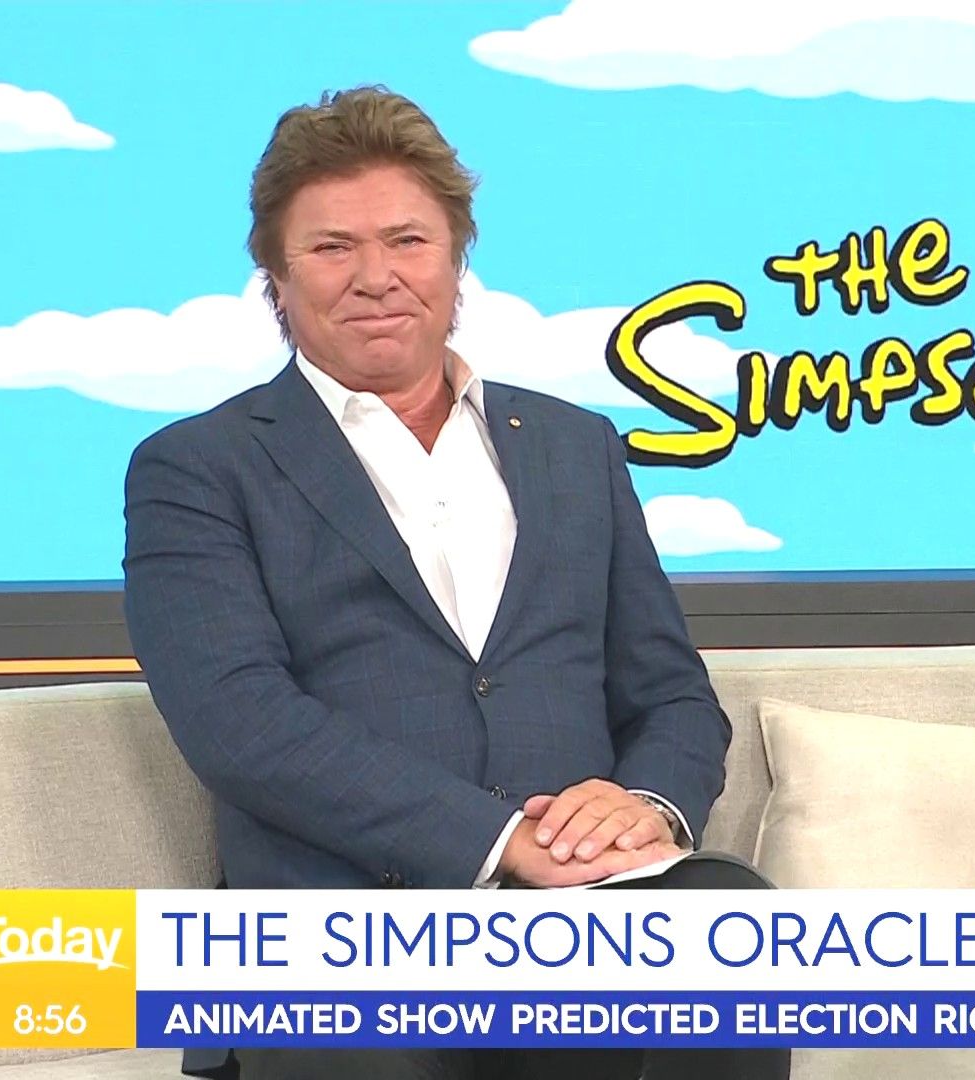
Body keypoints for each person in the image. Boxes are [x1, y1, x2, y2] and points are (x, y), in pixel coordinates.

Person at [122, 85, 790, 1080]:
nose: (375, 277)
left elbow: (671, 696)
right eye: (332, 247)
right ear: (276, 277)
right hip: (341, 938)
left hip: (584, 920)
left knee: (731, 924)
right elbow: (239, 724)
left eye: (407, 241)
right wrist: (496, 840)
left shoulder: (576, 446)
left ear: (456, 258)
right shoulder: (198, 468)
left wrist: (644, 805)